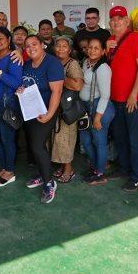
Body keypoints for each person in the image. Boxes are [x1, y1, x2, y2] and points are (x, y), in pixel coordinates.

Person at [106, 6, 138, 191]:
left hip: (132, 99)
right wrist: (106, 49)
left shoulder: (136, 38)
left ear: (127, 21)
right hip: (115, 98)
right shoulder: (110, 41)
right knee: (120, 136)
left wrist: (133, 94)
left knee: (134, 139)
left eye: (120, 18)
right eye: (113, 19)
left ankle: (137, 175)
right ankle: (124, 168)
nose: (116, 22)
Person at [19, 35, 64, 203]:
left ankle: (49, 183)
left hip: (46, 111)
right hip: (31, 111)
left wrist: (49, 114)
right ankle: (43, 174)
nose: (31, 48)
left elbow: (57, 91)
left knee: (37, 146)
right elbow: (26, 85)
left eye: (34, 44)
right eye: (27, 46)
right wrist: (21, 90)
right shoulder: (27, 64)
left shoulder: (52, 63)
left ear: (42, 45)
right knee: (35, 145)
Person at [0, 27, 23, 186]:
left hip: (7, 104)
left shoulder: (13, 57)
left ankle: (10, 171)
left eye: (1, 38)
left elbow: (16, 83)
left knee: (7, 139)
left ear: (8, 40)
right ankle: (5, 166)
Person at [78, 37, 114, 185]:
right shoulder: (86, 62)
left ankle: (100, 173)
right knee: (86, 141)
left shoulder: (103, 68)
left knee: (99, 142)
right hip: (86, 107)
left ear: (103, 51)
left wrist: (98, 118)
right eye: (90, 47)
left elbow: (105, 96)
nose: (92, 50)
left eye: (96, 48)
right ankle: (95, 167)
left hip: (100, 108)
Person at [51, 36, 84, 183]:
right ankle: (63, 166)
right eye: (58, 46)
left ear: (69, 50)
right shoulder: (53, 62)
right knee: (57, 139)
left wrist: (59, 77)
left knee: (66, 139)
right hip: (55, 107)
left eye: (64, 46)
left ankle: (69, 169)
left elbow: (77, 85)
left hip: (67, 108)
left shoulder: (73, 64)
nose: (60, 49)